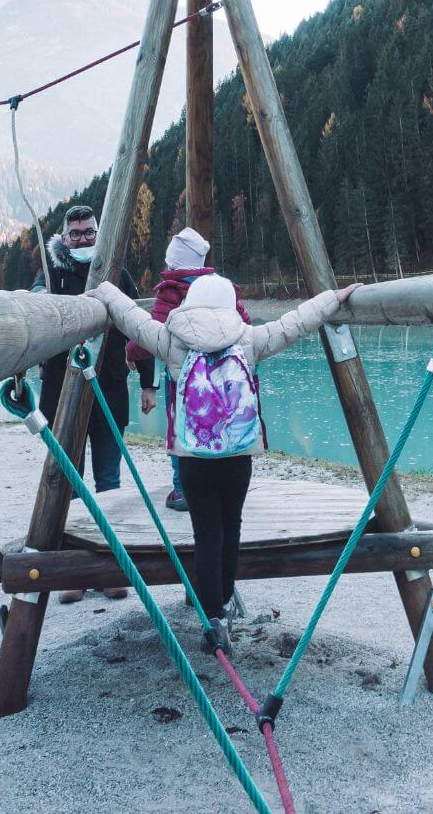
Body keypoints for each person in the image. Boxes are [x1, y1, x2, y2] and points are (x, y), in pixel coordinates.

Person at [90, 273, 362, 654]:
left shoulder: (170, 340)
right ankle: (226, 597)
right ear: (228, 304)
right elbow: (297, 322)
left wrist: (104, 288)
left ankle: (211, 616)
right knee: (231, 526)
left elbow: (129, 316)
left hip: (193, 459)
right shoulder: (248, 339)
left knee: (206, 534)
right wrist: (334, 296)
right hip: (237, 457)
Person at [31, 204, 156, 602]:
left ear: (98, 234)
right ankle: (73, 572)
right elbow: (33, 311)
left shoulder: (116, 272)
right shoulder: (51, 274)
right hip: (60, 394)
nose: (83, 239)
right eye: (76, 233)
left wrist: (150, 383)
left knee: (109, 484)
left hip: (110, 393)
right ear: (64, 237)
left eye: (89, 232)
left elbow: (140, 328)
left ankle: (108, 568)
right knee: (69, 482)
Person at [125, 227, 251, 513]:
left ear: (174, 263)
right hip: (223, 378)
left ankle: (183, 491)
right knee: (222, 424)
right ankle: (221, 486)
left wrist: (130, 352)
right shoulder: (223, 288)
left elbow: (153, 334)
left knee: (181, 431)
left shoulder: (172, 291)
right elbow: (245, 324)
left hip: (183, 379)